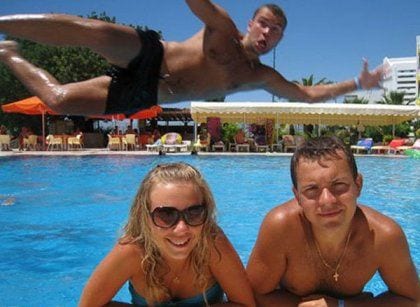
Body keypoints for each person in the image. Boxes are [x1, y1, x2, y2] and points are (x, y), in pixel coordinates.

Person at [0, 2, 384, 117]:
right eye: (264, 24)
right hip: (153, 56)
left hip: (146, 93)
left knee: (59, 100)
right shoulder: (221, 28)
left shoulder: (260, 75)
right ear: (251, 23)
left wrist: (356, 83)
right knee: (91, 31)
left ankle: (8, 53)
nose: (267, 34)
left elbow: (304, 95)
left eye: (276, 31)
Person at [246, 137, 420, 306]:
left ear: (358, 185)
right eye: (312, 189)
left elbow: (412, 300)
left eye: (339, 185)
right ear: (297, 196)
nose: (327, 201)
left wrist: (342, 305)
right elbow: (252, 295)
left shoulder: (384, 237)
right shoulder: (281, 228)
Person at [79, 163, 255, 306]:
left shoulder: (213, 243)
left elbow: (246, 304)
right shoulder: (132, 251)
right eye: (165, 215)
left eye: (194, 213)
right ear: (144, 216)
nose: (181, 228)